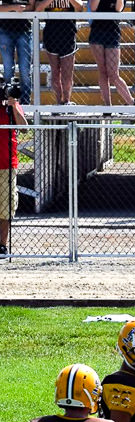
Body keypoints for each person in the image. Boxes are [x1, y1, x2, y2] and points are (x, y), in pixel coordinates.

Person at [88, 0, 135, 107]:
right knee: (102, 70)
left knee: (113, 73)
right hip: (97, 32)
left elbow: (118, 8)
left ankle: (131, 102)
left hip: (112, 32)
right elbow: (93, 7)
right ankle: (107, 106)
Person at [35, 0, 82, 105]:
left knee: (67, 74)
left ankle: (66, 101)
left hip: (68, 34)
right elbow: (38, 8)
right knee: (55, 73)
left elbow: (80, 7)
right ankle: (58, 102)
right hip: (51, 35)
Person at [0, 86, 25, 257]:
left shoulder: (11, 106)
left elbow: (24, 127)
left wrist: (13, 104)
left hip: (7, 163)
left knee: (6, 206)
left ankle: (1, 245)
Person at [0, 0, 32, 105]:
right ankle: (8, 101)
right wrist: (15, 7)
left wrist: (19, 8)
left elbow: (33, 6)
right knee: (8, 68)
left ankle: (25, 103)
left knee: (25, 70)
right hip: (5, 30)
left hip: (24, 30)